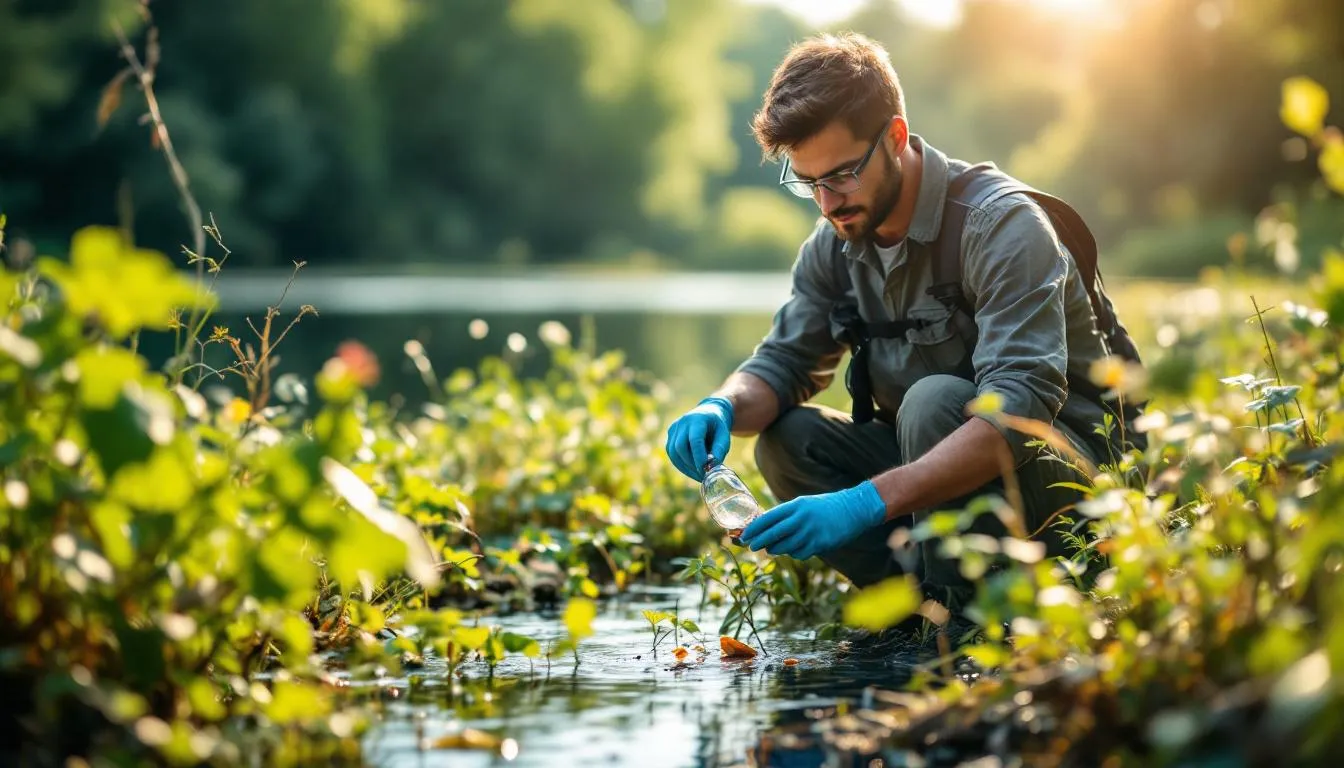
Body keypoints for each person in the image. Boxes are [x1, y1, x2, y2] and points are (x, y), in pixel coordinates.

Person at [664, 32, 1140, 619]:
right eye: (807, 181)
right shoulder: (834, 244)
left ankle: (965, 627)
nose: (827, 203)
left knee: (934, 401)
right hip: (950, 482)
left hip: (1081, 491)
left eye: (840, 175)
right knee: (790, 441)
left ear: (894, 137)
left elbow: (1019, 409)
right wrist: (721, 406)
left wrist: (865, 502)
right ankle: (916, 614)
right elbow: (783, 364)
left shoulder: (1002, 226)